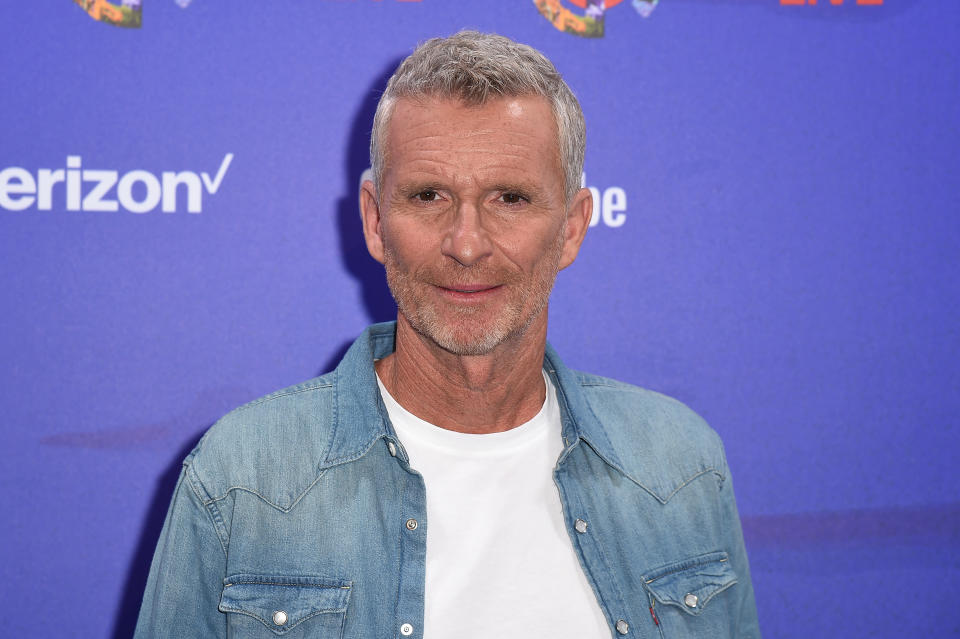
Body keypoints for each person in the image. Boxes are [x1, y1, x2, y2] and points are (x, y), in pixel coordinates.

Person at [134, 31, 760, 639]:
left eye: (510, 198)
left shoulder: (680, 466)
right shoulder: (242, 480)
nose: (466, 244)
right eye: (429, 195)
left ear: (572, 227)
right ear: (376, 221)